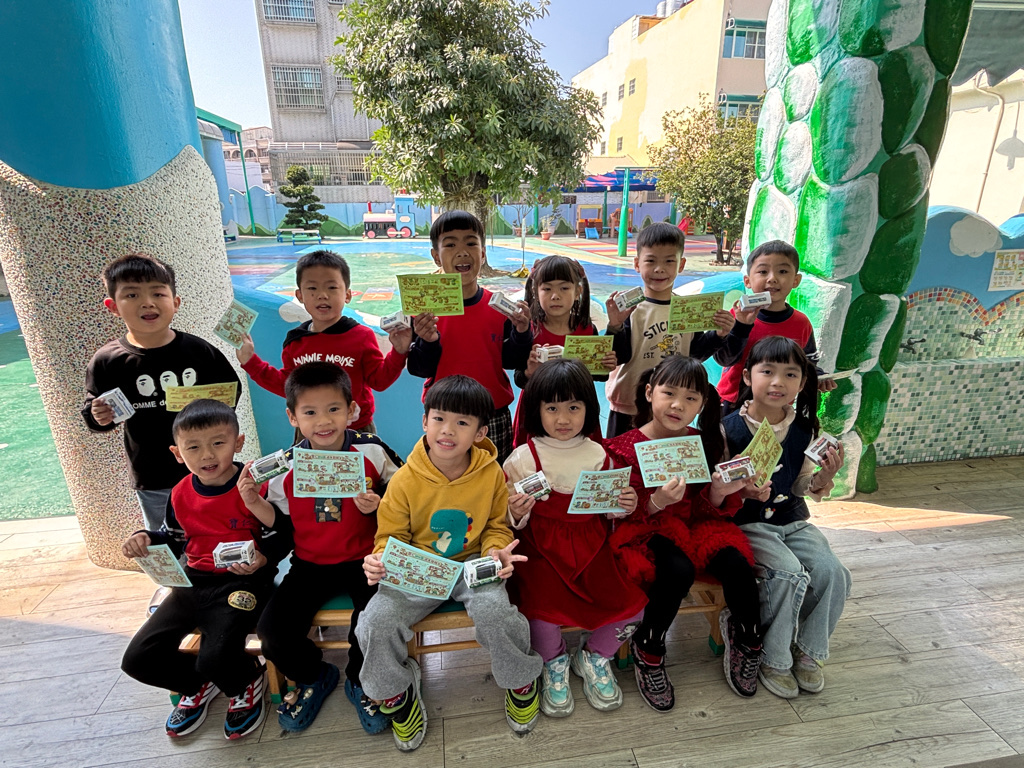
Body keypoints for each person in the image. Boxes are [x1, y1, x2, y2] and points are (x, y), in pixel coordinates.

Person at [357, 375, 542, 752]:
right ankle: (397, 693)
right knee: (375, 621)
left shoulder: (491, 473)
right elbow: (389, 536)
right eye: (439, 418)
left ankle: (520, 680)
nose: (447, 430)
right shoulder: (404, 481)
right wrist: (380, 559)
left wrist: (496, 550)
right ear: (425, 421)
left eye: (462, 422)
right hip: (418, 567)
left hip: (473, 564)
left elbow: (496, 525)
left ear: (480, 432)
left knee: (495, 611)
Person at [605, 356, 766, 710]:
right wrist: (657, 502)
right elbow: (618, 515)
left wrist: (719, 492)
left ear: (702, 403)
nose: (678, 405)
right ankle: (649, 646)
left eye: (691, 398)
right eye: (669, 393)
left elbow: (706, 508)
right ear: (650, 393)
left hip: (697, 525)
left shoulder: (703, 442)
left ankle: (748, 640)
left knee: (738, 565)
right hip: (646, 529)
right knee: (678, 569)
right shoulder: (621, 447)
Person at [120, 400, 286, 740]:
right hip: (193, 584)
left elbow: (283, 534)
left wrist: (264, 558)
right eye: (193, 447)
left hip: (245, 583)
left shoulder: (254, 484)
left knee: (216, 654)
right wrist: (145, 538)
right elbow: (172, 537)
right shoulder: (180, 492)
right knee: (137, 659)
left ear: (238, 443)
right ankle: (196, 684)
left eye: (218, 443)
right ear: (177, 453)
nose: (207, 455)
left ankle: (244, 681)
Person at [258, 363, 403, 734]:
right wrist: (253, 509)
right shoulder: (283, 467)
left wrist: (380, 502)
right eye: (310, 412)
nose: (323, 421)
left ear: (352, 410)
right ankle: (315, 675)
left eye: (333, 409)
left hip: (366, 561)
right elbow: (279, 525)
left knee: (372, 625)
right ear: (293, 417)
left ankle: (361, 680)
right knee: (272, 633)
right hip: (309, 565)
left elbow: (406, 496)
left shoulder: (372, 450)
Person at [504, 359, 647, 717]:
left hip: (592, 549)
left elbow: (610, 510)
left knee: (633, 608)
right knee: (538, 614)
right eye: (552, 408)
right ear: (536, 409)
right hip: (541, 553)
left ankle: (595, 656)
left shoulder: (599, 455)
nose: (563, 418)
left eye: (573, 407)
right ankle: (553, 661)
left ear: (589, 408)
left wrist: (624, 505)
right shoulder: (523, 458)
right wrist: (516, 510)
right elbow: (506, 520)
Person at [722, 336, 851, 699]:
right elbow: (718, 490)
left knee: (833, 572)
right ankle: (774, 656)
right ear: (748, 376)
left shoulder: (805, 429)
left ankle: (808, 650)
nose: (778, 382)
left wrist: (824, 478)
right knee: (788, 572)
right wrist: (741, 492)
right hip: (748, 522)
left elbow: (800, 486)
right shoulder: (727, 428)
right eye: (768, 372)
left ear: (803, 381)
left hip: (791, 518)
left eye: (790, 374)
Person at [82, 253, 242, 531]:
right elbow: (94, 413)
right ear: (113, 306)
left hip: (210, 468)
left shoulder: (199, 351)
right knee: (164, 538)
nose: (147, 302)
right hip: (153, 474)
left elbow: (230, 395)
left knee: (220, 529)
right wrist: (99, 415)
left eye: (158, 293)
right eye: (132, 295)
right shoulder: (108, 361)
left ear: (175, 303)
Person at [237, 250, 429, 432]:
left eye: (332, 287)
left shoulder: (361, 336)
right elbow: (287, 386)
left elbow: (379, 381)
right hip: (310, 432)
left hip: (357, 431)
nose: (322, 295)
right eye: (312, 288)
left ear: (347, 295)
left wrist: (399, 352)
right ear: (299, 295)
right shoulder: (295, 342)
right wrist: (250, 362)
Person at [406, 211, 532, 463]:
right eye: (451, 244)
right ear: (436, 256)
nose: (462, 252)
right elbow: (419, 368)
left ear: (483, 253)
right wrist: (428, 341)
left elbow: (511, 361)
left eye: (471, 243)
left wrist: (522, 332)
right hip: (445, 415)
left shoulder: (499, 308)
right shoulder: (425, 311)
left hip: (492, 414)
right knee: (446, 478)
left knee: (495, 478)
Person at [603, 222, 744, 438]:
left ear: (681, 264)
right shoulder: (630, 310)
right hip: (629, 405)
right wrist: (615, 326)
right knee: (622, 456)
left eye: (669, 261)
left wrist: (718, 335)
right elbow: (618, 357)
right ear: (637, 264)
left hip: (672, 407)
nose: (659, 269)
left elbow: (693, 354)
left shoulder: (687, 310)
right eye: (651, 261)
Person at [714, 239, 835, 414]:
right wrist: (742, 326)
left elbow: (807, 363)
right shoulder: (736, 316)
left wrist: (819, 376)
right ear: (747, 281)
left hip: (778, 405)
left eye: (783, 271)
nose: (772, 278)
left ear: (796, 280)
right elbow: (724, 360)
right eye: (763, 271)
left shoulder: (801, 323)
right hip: (733, 404)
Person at [511, 255, 613, 447]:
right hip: (538, 409)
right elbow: (519, 378)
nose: (555, 296)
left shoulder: (586, 329)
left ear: (578, 291)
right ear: (535, 291)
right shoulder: (529, 330)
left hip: (576, 409)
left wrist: (605, 365)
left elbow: (596, 375)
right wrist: (529, 373)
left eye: (564, 288)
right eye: (547, 289)